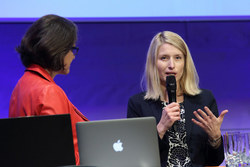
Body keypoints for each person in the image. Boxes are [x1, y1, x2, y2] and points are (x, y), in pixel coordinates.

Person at [127, 31, 228, 167]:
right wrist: (161, 127)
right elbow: (135, 158)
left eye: (178, 58)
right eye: (164, 58)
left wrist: (215, 138)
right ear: (153, 63)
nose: (172, 65)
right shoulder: (138, 104)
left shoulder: (204, 99)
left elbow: (214, 161)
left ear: (185, 63)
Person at [9, 14, 88, 165]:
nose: (73, 56)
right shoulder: (49, 91)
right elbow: (58, 155)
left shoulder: (22, 85)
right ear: (57, 49)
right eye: (72, 48)